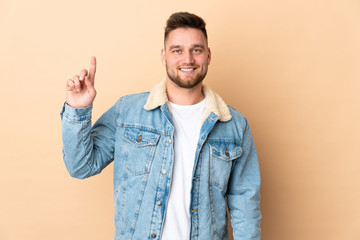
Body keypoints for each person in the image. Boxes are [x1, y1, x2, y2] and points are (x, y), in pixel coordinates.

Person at [61, 12, 261, 240]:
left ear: (208, 55)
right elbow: (80, 166)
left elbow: (245, 203)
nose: (188, 59)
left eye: (196, 50)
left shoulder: (234, 124)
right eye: (177, 50)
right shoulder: (128, 112)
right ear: (164, 56)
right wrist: (77, 110)